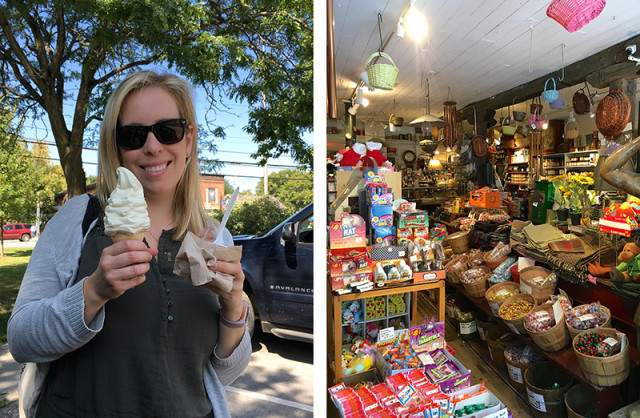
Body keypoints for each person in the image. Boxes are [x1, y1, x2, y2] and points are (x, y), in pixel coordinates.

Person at [8, 71, 251, 417]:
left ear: (189, 139)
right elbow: (21, 339)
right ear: (117, 148)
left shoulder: (214, 237)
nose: (152, 146)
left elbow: (218, 374)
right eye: (133, 136)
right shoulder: (81, 217)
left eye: (168, 130)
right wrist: (92, 293)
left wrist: (232, 308)